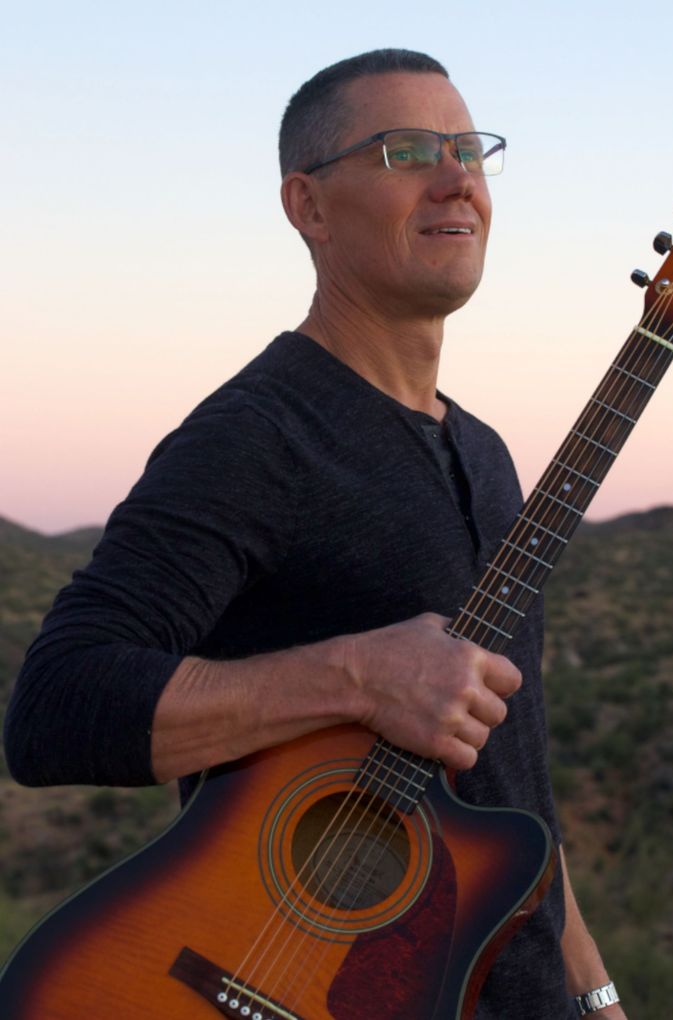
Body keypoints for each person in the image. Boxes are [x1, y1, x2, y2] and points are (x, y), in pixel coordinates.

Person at [4, 49, 626, 1019]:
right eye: (407, 151)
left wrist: (592, 992)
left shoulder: (490, 456)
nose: (457, 178)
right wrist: (352, 676)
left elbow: (512, 789)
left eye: (470, 149)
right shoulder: (256, 436)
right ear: (307, 205)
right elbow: (53, 706)